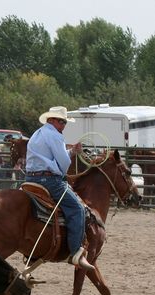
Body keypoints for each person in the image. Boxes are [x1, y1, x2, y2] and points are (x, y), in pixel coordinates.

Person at [26, 106, 95, 271]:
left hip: (30, 179)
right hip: (49, 181)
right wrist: (69, 159)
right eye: (61, 121)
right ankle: (76, 252)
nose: (63, 125)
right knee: (77, 208)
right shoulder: (55, 135)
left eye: (64, 122)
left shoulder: (38, 134)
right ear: (51, 120)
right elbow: (63, 163)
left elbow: (54, 155)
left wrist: (72, 151)